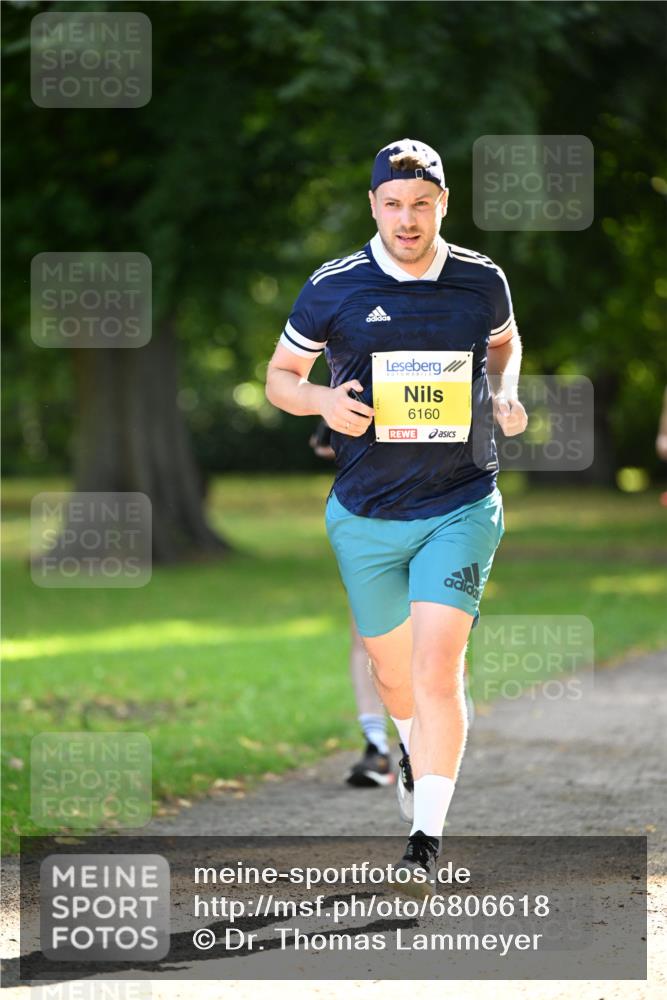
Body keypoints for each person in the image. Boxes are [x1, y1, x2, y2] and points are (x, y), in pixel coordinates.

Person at [266, 138, 527, 894]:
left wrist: (504, 391)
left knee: (436, 665)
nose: (406, 220)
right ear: (373, 206)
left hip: (461, 500)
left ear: (442, 203)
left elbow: (505, 346)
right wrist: (321, 401)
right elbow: (281, 376)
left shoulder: (481, 280)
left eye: (421, 205)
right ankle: (410, 751)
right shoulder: (333, 286)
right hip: (364, 510)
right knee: (391, 674)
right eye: (392, 205)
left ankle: (425, 835)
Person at [310, 419, 394, 787]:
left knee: (437, 635)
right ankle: (377, 745)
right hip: (369, 512)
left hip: (445, 510)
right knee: (367, 638)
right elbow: (324, 444)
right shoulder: (356, 367)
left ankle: (433, 732)